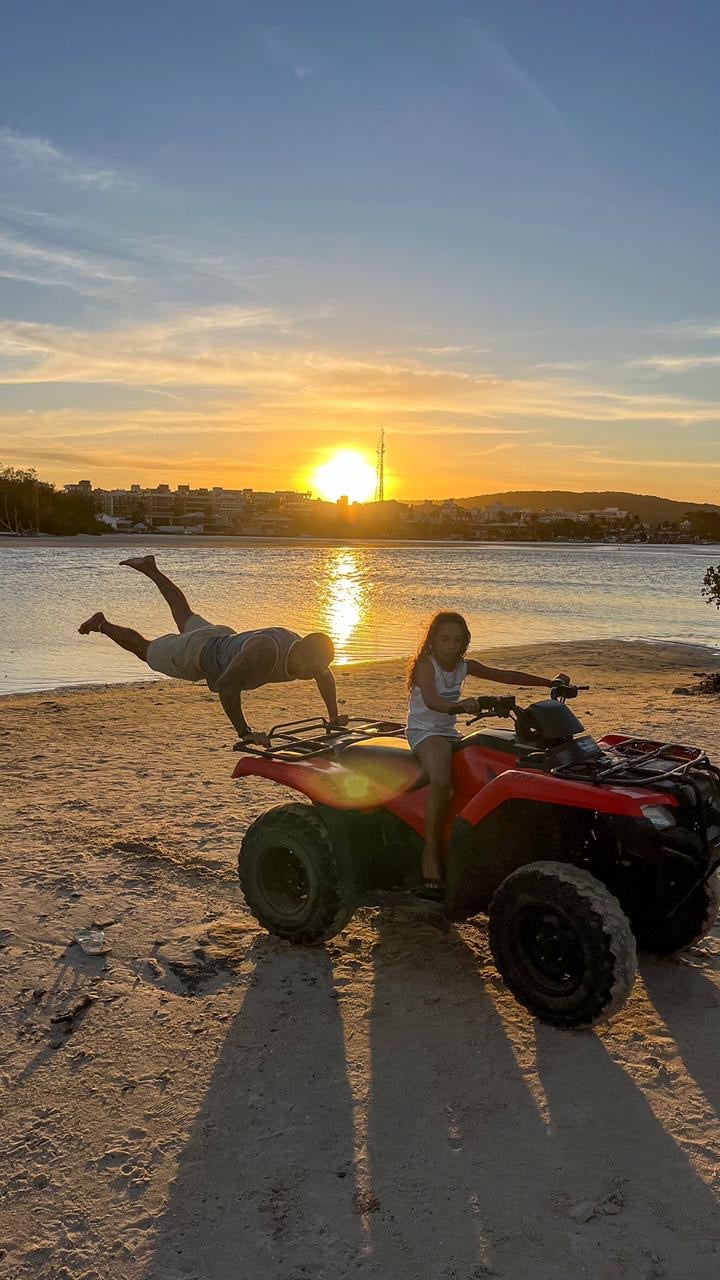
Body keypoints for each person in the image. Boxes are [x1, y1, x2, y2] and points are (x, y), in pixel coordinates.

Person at [78, 556, 347, 745]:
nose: (306, 675)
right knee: (145, 650)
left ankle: (151, 569)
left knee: (183, 614)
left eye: (313, 670)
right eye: (307, 669)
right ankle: (102, 623)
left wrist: (334, 717)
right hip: (198, 652)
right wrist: (245, 732)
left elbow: (325, 675)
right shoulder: (264, 653)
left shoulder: (308, 655)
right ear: (299, 651)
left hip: (224, 638)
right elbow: (227, 687)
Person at [406, 611, 567, 900]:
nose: (450, 645)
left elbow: (503, 675)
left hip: (450, 732)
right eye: (444, 639)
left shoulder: (465, 666)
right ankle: (429, 855)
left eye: (457, 640)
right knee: (442, 782)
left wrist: (548, 683)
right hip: (425, 732)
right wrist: (460, 707)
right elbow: (431, 700)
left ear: (464, 642)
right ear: (432, 640)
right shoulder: (425, 665)